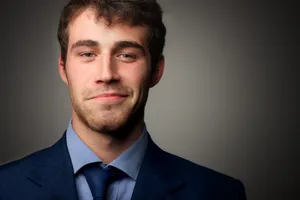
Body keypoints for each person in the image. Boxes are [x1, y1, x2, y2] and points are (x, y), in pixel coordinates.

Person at [0, 0, 247, 199]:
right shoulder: (5, 188)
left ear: (156, 71)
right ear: (63, 68)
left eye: (127, 55)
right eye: (87, 54)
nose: (107, 74)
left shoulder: (219, 193)